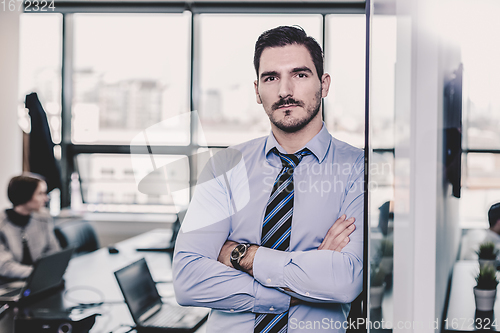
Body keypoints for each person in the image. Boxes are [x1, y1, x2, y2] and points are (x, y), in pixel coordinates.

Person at [173, 26, 363, 332]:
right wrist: (307, 279)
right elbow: (187, 280)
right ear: (257, 91)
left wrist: (241, 254)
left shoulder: (357, 167)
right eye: (270, 77)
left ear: (324, 84)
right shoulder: (224, 166)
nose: (284, 90)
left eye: (300, 74)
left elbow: (345, 282)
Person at [0, 173, 60, 281]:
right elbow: (4, 266)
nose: (46, 198)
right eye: (40, 193)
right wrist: (38, 273)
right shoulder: (2, 224)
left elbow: (53, 250)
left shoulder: (43, 217)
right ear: (25, 195)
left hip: (38, 280)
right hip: (10, 282)